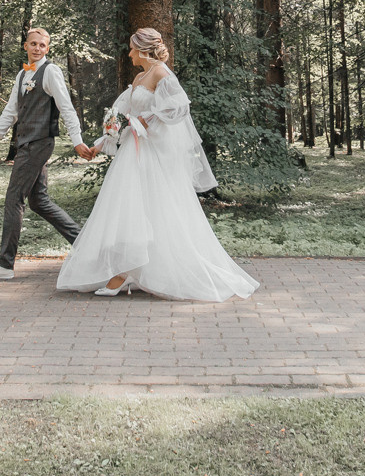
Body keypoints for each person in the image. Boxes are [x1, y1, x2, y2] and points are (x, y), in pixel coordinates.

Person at [57, 27, 259, 302]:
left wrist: (144, 121)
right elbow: (122, 117)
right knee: (129, 210)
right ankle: (127, 270)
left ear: (141, 49)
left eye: (131, 48)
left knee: (151, 209)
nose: (128, 53)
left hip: (150, 155)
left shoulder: (162, 73)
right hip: (132, 152)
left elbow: (178, 108)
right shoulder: (140, 76)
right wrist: (100, 144)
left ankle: (131, 273)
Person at [0, 27, 89, 281]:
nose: (37, 48)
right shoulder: (23, 74)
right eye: (33, 44)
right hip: (27, 143)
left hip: (38, 143)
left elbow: (66, 107)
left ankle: (4, 264)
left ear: (47, 48)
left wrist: (77, 140)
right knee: (39, 202)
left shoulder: (51, 72)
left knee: (14, 198)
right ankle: (86, 244)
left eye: (42, 45)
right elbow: (11, 112)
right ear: (26, 46)